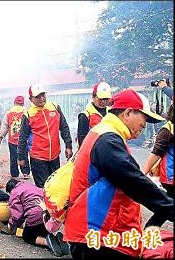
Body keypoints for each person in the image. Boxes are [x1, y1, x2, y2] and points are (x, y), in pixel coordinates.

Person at [64, 89, 174, 259]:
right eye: (144, 119)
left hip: (101, 231)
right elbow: (134, 182)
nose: (144, 126)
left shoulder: (108, 134)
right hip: (97, 232)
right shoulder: (107, 139)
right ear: (128, 112)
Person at [18, 83, 73, 188]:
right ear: (31, 99)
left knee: (55, 186)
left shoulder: (55, 108)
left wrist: (68, 146)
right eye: (37, 96)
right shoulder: (28, 114)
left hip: (55, 155)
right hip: (38, 158)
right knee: (43, 188)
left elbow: (64, 127)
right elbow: (22, 137)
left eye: (43, 95)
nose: (41, 98)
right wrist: (21, 157)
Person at [5, 179, 69, 257]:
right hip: (47, 212)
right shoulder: (30, 185)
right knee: (41, 232)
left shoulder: (14, 193)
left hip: (35, 215)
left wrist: (12, 224)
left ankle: (47, 242)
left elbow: (18, 215)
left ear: (10, 190)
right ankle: (57, 240)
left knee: (28, 236)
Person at [142, 102, 173, 228]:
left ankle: (147, 232)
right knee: (167, 208)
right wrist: (142, 174)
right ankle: (147, 233)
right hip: (171, 177)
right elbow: (156, 153)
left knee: (166, 209)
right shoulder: (168, 129)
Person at [0, 95, 30, 179]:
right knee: (24, 155)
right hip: (24, 140)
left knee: (13, 157)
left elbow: (4, 126)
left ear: (14, 103)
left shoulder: (9, 113)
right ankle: (25, 173)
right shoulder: (27, 112)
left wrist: (0, 137)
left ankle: (14, 174)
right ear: (23, 103)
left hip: (12, 140)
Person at [77, 82, 112, 147]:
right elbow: (82, 140)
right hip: (93, 152)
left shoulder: (111, 112)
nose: (103, 101)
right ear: (93, 96)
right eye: (100, 99)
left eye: (105, 99)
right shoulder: (85, 115)